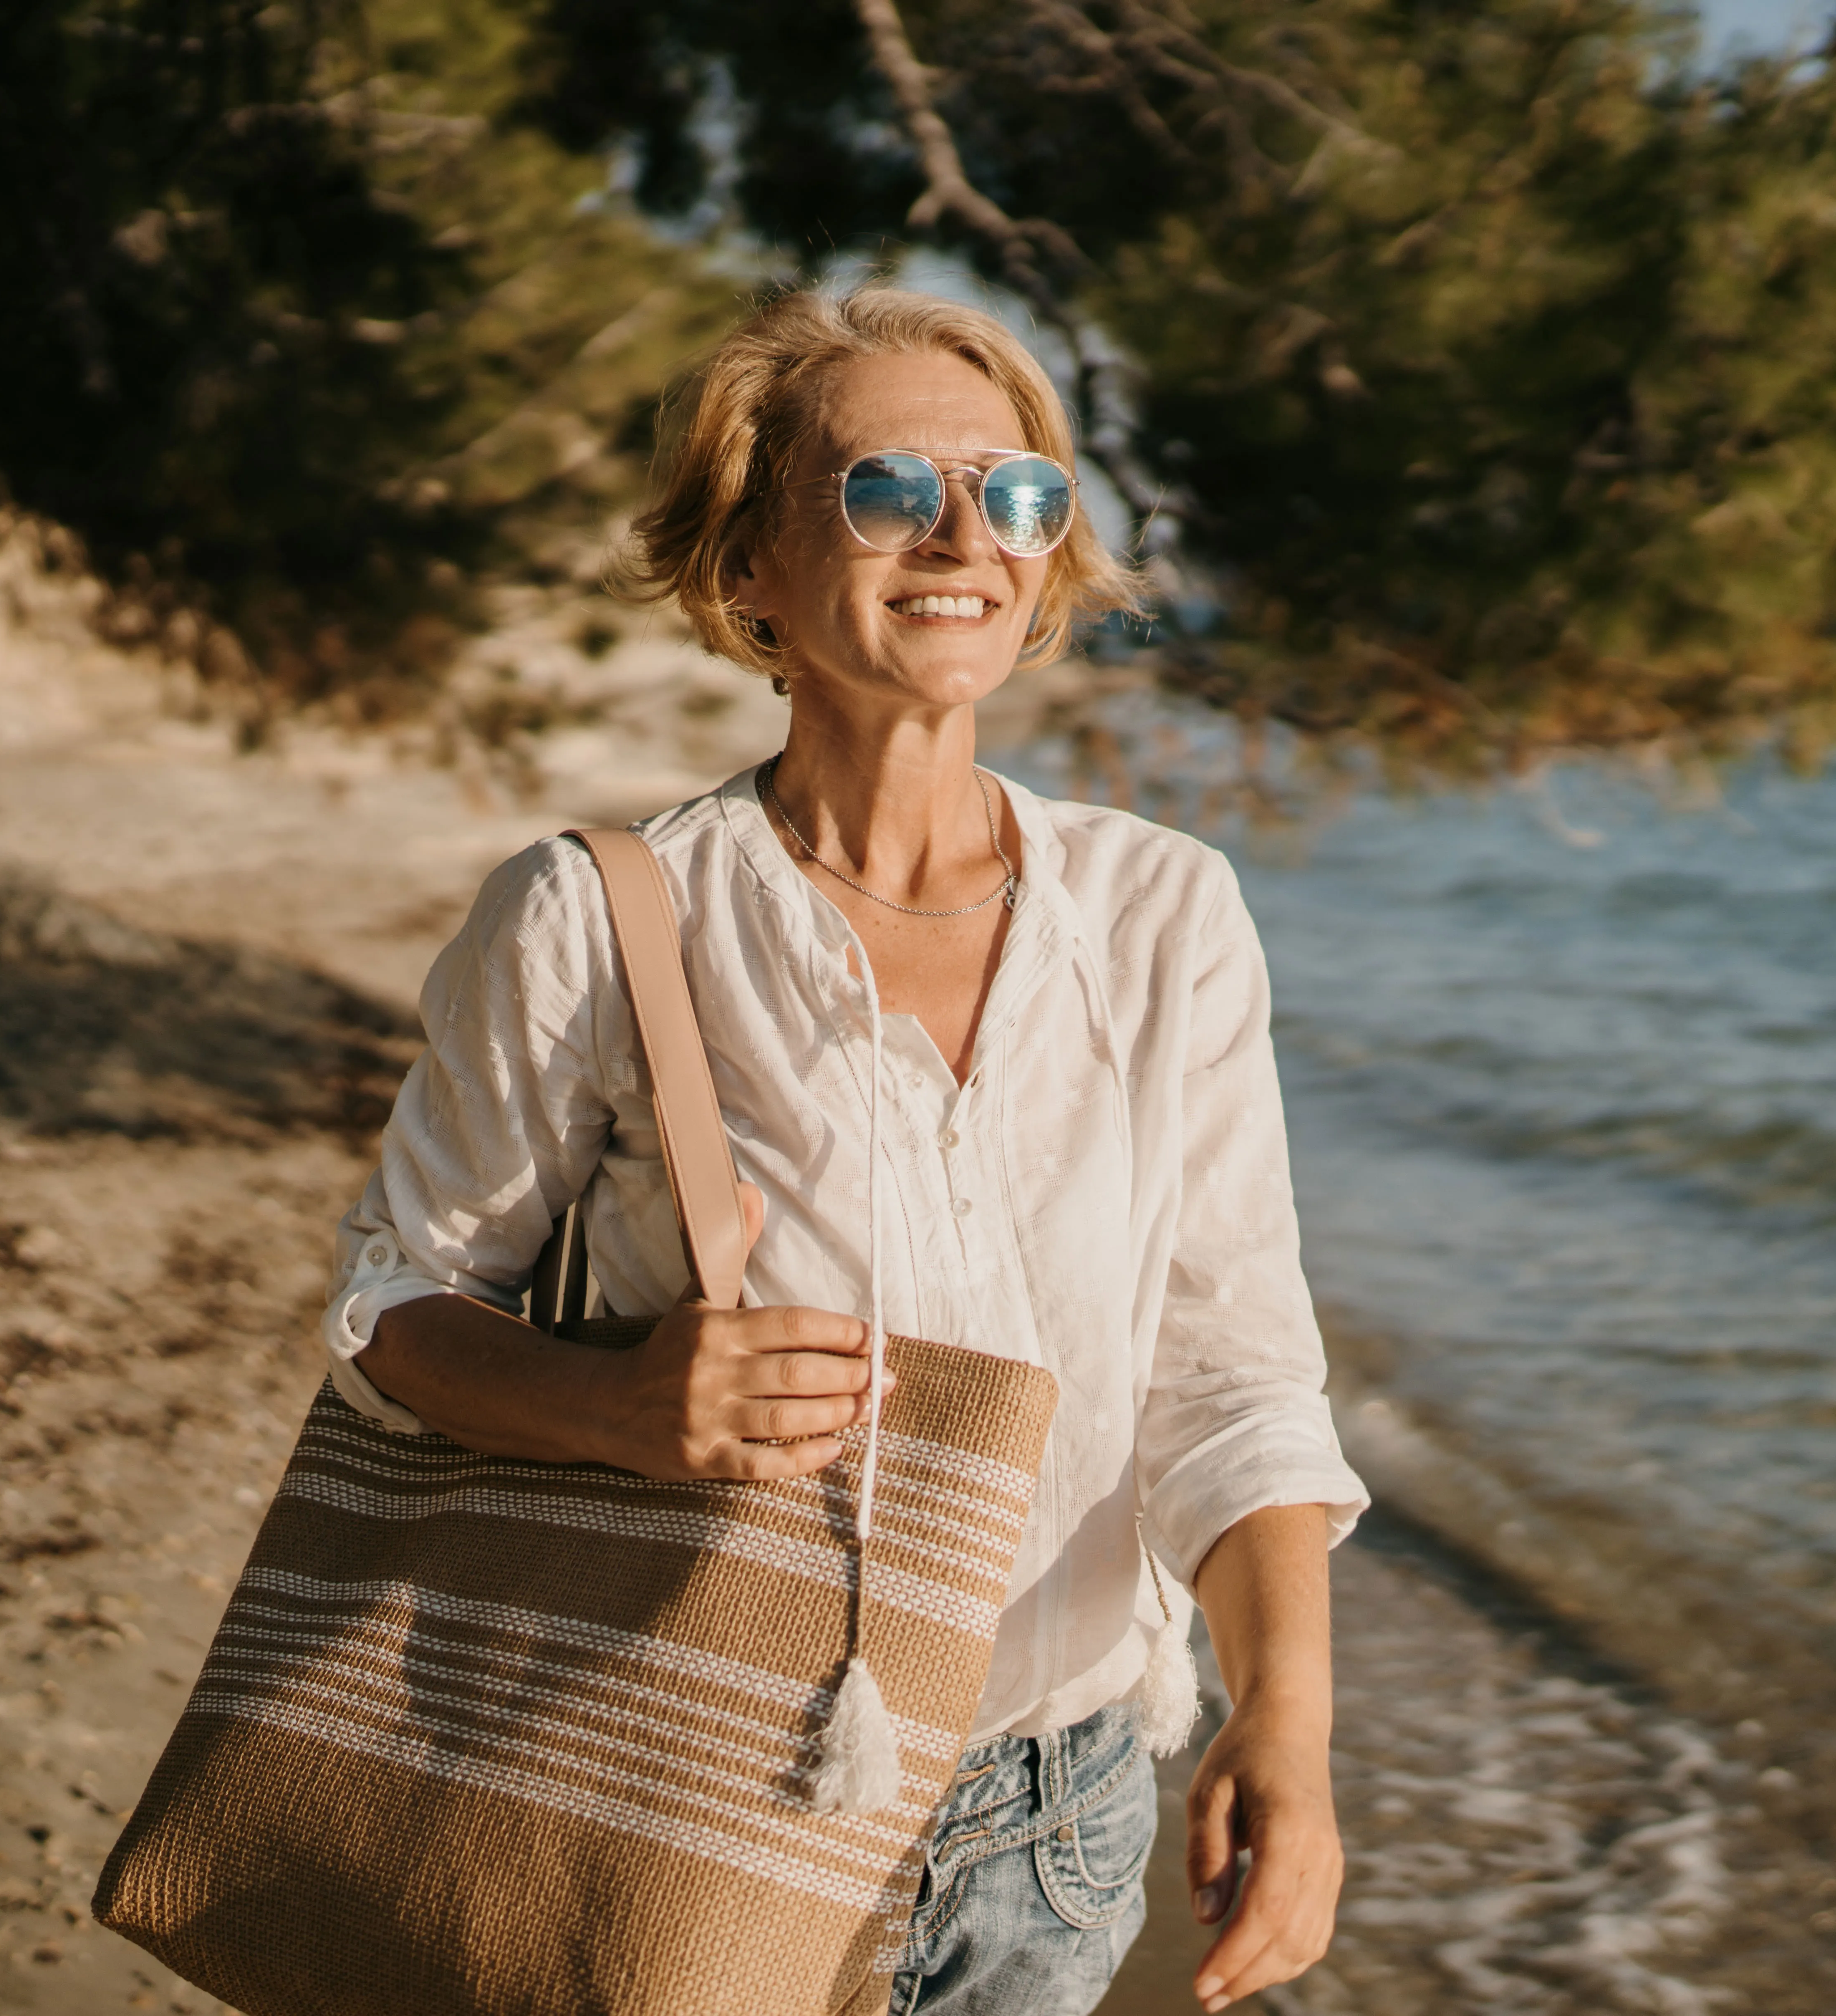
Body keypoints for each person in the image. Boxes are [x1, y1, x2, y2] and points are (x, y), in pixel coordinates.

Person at [317, 285, 1367, 2016]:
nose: (967, 534)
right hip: (696, 1779)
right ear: (749, 566)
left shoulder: (1160, 911)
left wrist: (1288, 1727)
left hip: (1060, 1817)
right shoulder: (599, 913)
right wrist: (608, 1401)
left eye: (1017, 493)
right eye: (889, 489)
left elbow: (1232, 1366)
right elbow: (391, 1305)